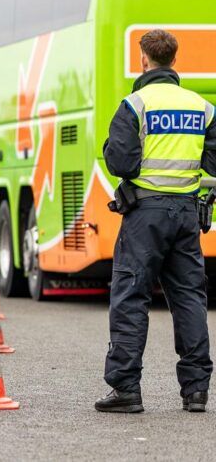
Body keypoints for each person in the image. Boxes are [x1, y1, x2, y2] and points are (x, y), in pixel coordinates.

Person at [97, 29, 214, 413]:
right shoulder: (202, 107)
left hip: (145, 216)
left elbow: (122, 162)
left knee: (131, 297)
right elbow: (212, 163)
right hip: (185, 215)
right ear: (174, 60)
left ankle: (126, 389)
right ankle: (196, 391)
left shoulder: (134, 105)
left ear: (144, 60)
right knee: (190, 299)